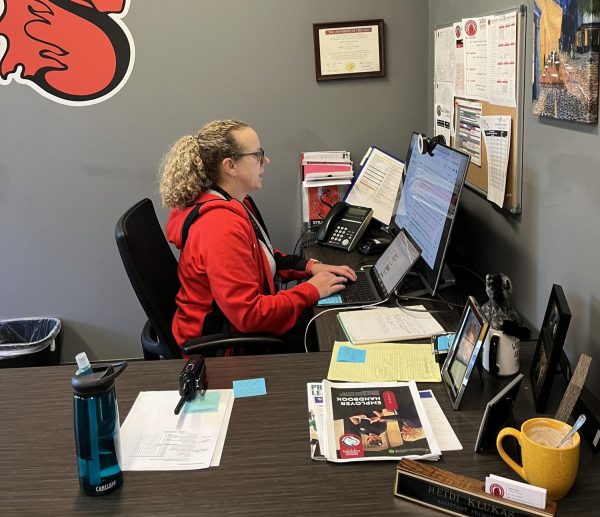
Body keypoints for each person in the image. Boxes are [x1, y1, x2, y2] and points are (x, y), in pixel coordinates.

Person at [158, 119, 356, 353]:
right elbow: (249, 315)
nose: (266, 161)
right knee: (334, 338)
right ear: (230, 166)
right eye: (258, 155)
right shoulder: (219, 226)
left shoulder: (233, 203)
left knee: (332, 320)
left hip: (240, 325)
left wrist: (310, 267)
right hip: (225, 348)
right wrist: (311, 290)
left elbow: (261, 259)